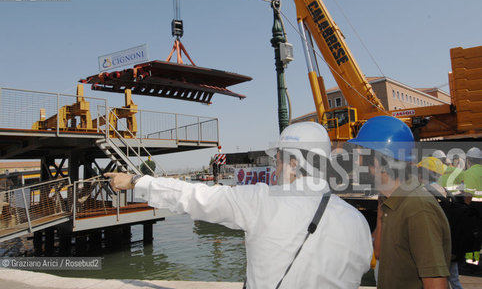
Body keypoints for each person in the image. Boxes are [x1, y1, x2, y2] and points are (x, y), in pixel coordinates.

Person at [105, 122, 373, 289]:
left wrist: (135, 181)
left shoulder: (260, 201)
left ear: (294, 163)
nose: (275, 166)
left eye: (279, 159)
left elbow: (195, 196)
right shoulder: (356, 220)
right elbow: (361, 270)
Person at [348, 116, 451, 289]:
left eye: (361, 155)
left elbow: (436, 284)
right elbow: (380, 253)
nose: (357, 163)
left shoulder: (418, 209)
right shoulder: (390, 201)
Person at [417, 156, 464, 289]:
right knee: (453, 280)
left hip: (433, 247)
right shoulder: (446, 192)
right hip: (450, 244)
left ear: (421, 173)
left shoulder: (423, 194)